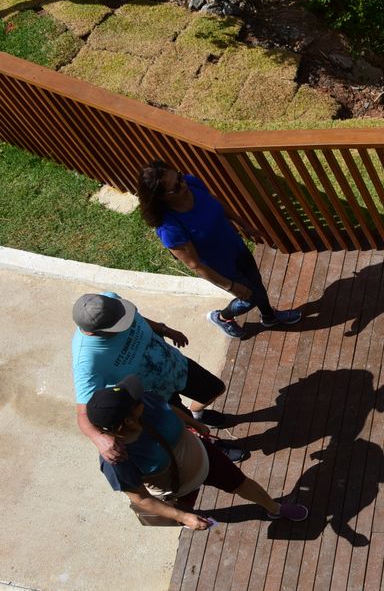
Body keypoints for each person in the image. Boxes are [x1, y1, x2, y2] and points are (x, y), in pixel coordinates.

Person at [86, 376, 308, 529]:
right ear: (127, 419)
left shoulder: (146, 401)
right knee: (192, 518)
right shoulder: (116, 461)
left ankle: (275, 508)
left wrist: (193, 422)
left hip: (204, 458)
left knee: (242, 483)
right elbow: (142, 499)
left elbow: (168, 408)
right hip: (178, 488)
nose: (140, 395)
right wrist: (183, 517)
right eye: (134, 401)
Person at [136, 160, 301, 339]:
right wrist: (230, 286)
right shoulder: (169, 227)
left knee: (256, 282)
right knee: (249, 298)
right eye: (175, 187)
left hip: (236, 247)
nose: (183, 185)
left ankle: (269, 316)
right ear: (160, 197)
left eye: (180, 177)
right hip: (222, 268)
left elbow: (214, 202)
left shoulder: (191, 183)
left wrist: (243, 223)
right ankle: (222, 317)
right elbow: (195, 265)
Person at [72, 292, 240, 463]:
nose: (126, 321)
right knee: (187, 429)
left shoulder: (109, 303)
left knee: (215, 388)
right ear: (98, 331)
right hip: (157, 398)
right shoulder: (86, 360)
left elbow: (137, 317)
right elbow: (82, 414)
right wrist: (99, 439)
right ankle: (212, 448)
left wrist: (164, 329)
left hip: (176, 366)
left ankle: (197, 414)